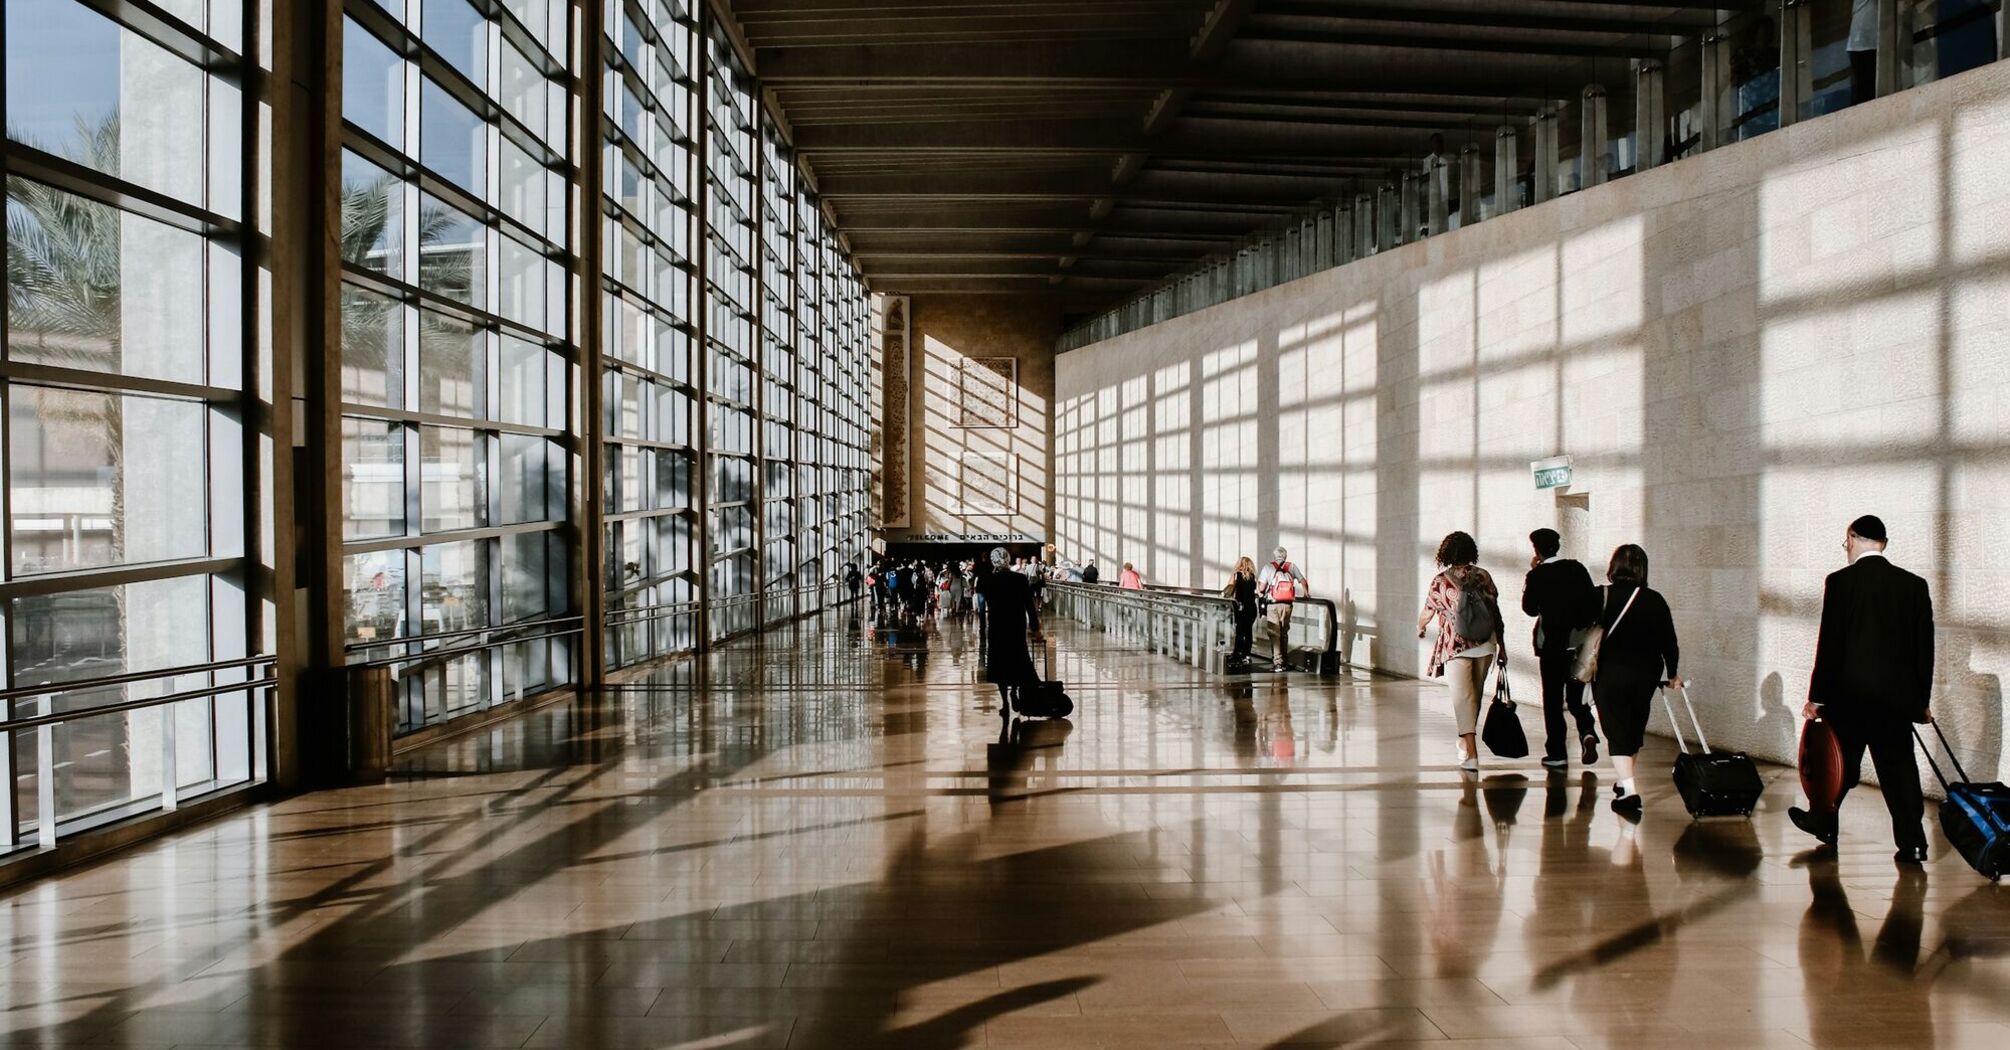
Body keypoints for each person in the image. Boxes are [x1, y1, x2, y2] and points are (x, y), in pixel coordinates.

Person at [1790, 515, 1935, 865]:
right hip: (1894, 702)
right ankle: (1913, 843)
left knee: (1836, 767)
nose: (1847, 549)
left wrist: (1817, 697)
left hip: (1848, 698)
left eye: (1847, 543)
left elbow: (1830, 644)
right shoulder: (1912, 585)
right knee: (1900, 772)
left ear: (1853, 538)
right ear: (1882, 543)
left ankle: (1823, 823)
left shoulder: (1841, 582)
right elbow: (1924, 650)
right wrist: (1920, 702)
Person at [1589, 544, 1682, 815]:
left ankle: (1630, 792)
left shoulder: (1600, 596)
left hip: (1609, 672)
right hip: (1645, 674)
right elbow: (1669, 641)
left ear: (1613, 567)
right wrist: (1672, 673)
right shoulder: (1654, 599)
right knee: (1632, 728)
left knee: (1616, 731)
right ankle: (1623, 780)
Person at [1417, 532, 1504, 774]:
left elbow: (1427, 611)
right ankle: (1466, 743)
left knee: (1463, 699)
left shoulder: (1440, 581)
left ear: (1446, 553)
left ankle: (1471, 754)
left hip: (1455, 646)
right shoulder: (1483, 576)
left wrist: (1420, 626)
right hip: (1486, 645)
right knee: (1473, 698)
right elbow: (1495, 613)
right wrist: (1502, 647)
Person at [1522, 528, 1601, 770]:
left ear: (1537, 550)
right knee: (1576, 696)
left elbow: (1530, 609)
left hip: (1551, 647)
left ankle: (1557, 753)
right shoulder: (1576, 569)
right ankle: (1587, 731)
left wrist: (1534, 572)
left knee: (1553, 700)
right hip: (1577, 643)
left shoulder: (1537, 575)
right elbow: (1592, 602)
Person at [976, 547, 1041, 717]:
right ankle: (1015, 692)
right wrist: (1036, 629)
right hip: (1016, 626)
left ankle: (1004, 702)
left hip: (997, 627)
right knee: (1017, 660)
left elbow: (979, 595)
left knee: (999, 663)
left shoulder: (988, 580)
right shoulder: (1019, 579)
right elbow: (1029, 606)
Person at [1258, 547, 1310, 673]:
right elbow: (1303, 580)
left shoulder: (1268, 567)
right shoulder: (1291, 566)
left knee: (1274, 633)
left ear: (1275, 556)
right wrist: (1306, 593)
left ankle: (1278, 663)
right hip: (1287, 604)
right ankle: (1285, 661)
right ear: (1285, 556)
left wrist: (1260, 592)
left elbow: (1261, 588)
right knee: (1284, 632)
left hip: (1273, 604)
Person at [1222, 556, 1261, 671]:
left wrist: (1233, 573)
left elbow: (1228, 589)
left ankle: (1236, 655)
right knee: (1248, 632)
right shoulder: (1253, 577)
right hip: (1252, 608)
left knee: (1239, 632)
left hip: (1240, 607)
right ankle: (1246, 655)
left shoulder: (1236, 575)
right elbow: (1257, 592)